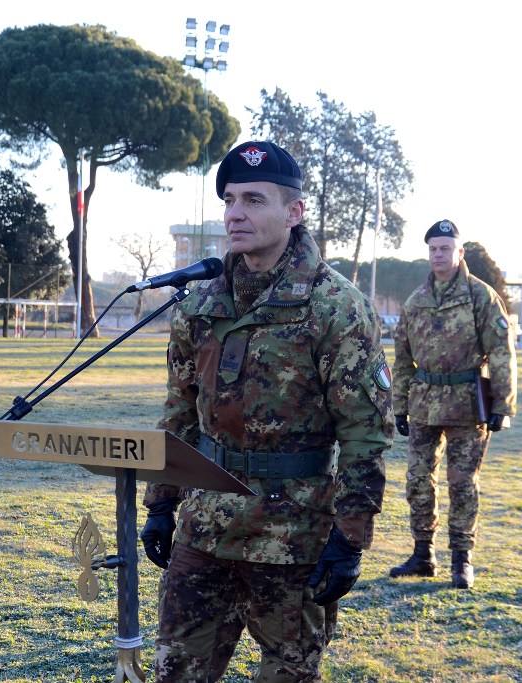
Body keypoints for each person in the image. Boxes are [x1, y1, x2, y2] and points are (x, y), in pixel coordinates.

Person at [139, 140, 393, 682]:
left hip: (293, 531)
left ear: (294, 212)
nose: (235, 213)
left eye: (254, 200)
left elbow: (365, 433)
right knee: (176, 671)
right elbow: (180, 412)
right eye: (229, 200)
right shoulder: (201, 304)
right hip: (205, 526)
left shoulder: (336, 306)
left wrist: (350, 537)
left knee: (288, 673)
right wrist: (161, 501)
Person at [389, 219, 517, 589]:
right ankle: (422, 554)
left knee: (462, 484)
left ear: (459, 253)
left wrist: (502, 405)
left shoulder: (480, 296)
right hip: (424, 403)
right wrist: (399, 406)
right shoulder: (416, 301)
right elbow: (402, 359)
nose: (438, 255)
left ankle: (462, 559)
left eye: (445, 248)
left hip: (467, 404)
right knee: (417, 480)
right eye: (433, 249)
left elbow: (501, 352)